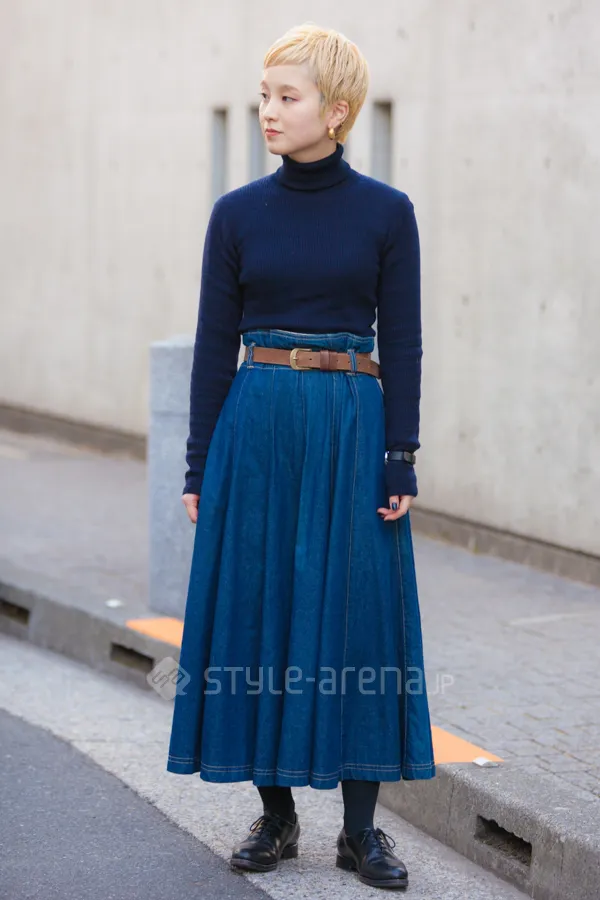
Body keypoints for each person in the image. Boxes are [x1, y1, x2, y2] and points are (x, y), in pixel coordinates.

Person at [166, 21, 436, 891]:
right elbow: (214, 346)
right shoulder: (236, 214)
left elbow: (405, 341)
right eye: (264, 95)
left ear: (339, 109)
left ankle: (360, 833)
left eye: (288, 96)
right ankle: (277, 816)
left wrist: (400, 455)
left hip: (352, 425)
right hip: (257, 426)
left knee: (357, 611)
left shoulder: (387, 213)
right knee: (259, 604)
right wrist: (199, 466)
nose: (269, 111)